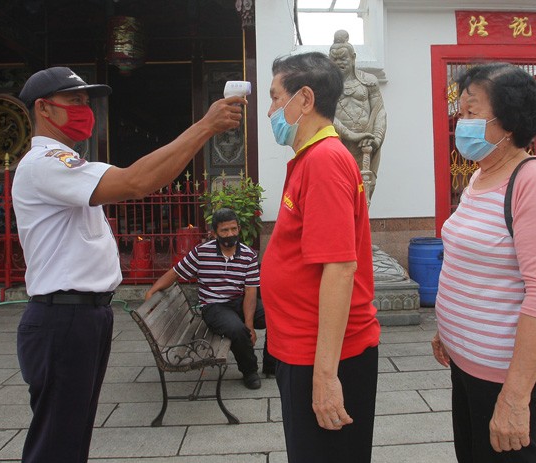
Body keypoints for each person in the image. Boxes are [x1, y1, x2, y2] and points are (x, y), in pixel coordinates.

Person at [12, 66, 244, 463]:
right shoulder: (45, 163)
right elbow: (137, 182)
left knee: (71, 437)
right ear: (43, 108)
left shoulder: (67, 163)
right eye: (74, 101)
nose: (85, 109)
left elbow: (145, 180)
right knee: (57, 442)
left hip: (82, 316)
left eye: (87, 101)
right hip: (63, 318)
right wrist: (205, 127)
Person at [430, 62, 536, 463]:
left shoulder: (534, 182)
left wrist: (515, 396)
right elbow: (470, 263)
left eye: (472, 112)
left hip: (506, 375)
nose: (461, 122)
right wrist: (448, 327)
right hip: (466, 362)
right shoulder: (480, 177)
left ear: (508, 122)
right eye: (460, 112)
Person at [261, 52, 381, 463]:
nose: (271, 111)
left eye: (276, 98)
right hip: (303, 346)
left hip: (324, 354)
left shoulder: (325, 161)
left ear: (305, 99)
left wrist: (326, 376)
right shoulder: (310, 159)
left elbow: (340, 267)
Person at [144, 207, 275, 389]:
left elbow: (251, 292)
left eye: (234, 229)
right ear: (214, 233)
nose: (230, 234)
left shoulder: (248, 255)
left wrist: (250, 324)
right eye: (224, 230)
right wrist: (152, 291)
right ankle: (249, 371)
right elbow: (175, 273)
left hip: (239, 301)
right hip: (214, 306)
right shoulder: (201, 252)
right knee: (237, 330)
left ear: (238, 228)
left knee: (276, 316)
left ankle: (271, 364)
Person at [328, 30, 386, 201]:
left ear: (353, 57)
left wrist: (376, 138)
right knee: (339, 190)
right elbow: (326, 115)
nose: (338, 63)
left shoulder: (369, 81)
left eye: (343, 58)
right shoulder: (326, 86)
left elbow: (379, 111)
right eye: (334, 59)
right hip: (339, 145)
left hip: (365, 146)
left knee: (365, 190)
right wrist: (349, 135)